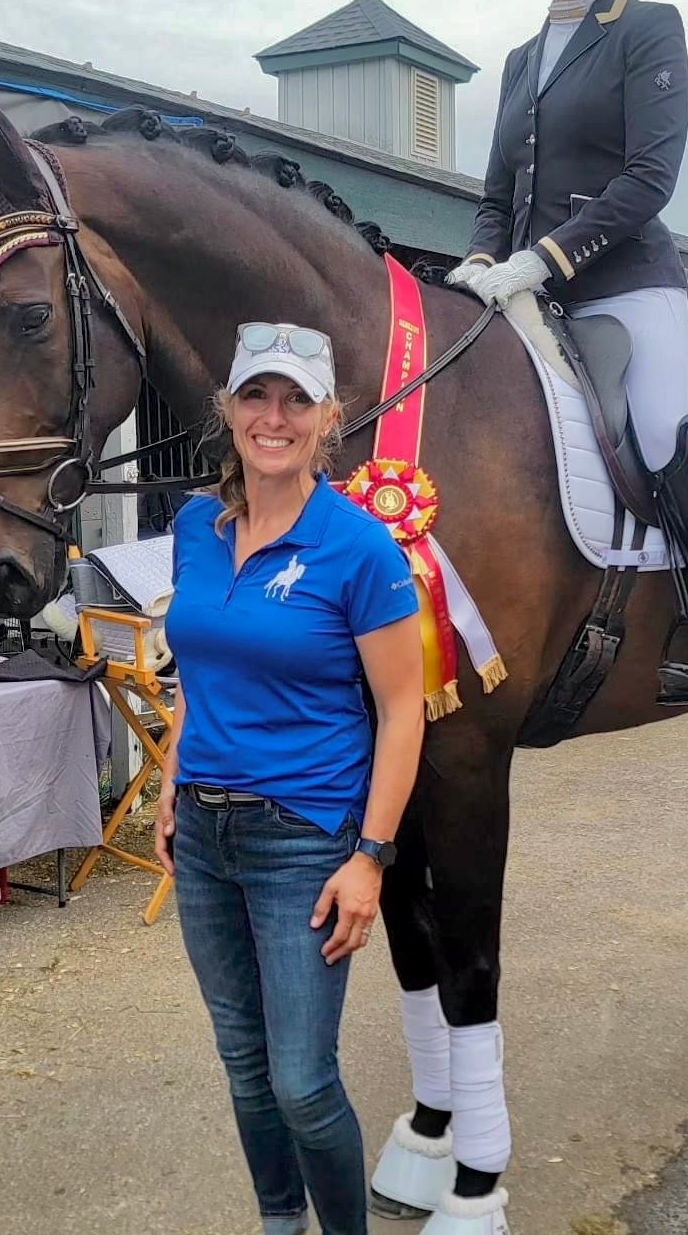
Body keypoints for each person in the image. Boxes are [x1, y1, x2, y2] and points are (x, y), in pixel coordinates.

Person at [445, 0, 688, 706]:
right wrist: (481, 260)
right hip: (525, 293)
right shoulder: (519, 60)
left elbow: (650, 178)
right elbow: (496, 190)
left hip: (628, 286)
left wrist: (542, 259)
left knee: (663, 428)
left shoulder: (649, 31)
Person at [156, 322, 425, 1235]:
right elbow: (199, 668)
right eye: (256, 397)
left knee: (302, 1082)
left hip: (302, 846)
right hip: (203, 836)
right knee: (242, 1059)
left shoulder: (360, 550)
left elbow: (401, 711)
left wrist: (373, 857)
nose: (274, 418)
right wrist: (168, 786)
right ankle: (282, 1222)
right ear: (228, 409)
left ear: (328, 419)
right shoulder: (197, 524)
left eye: (296, 401)